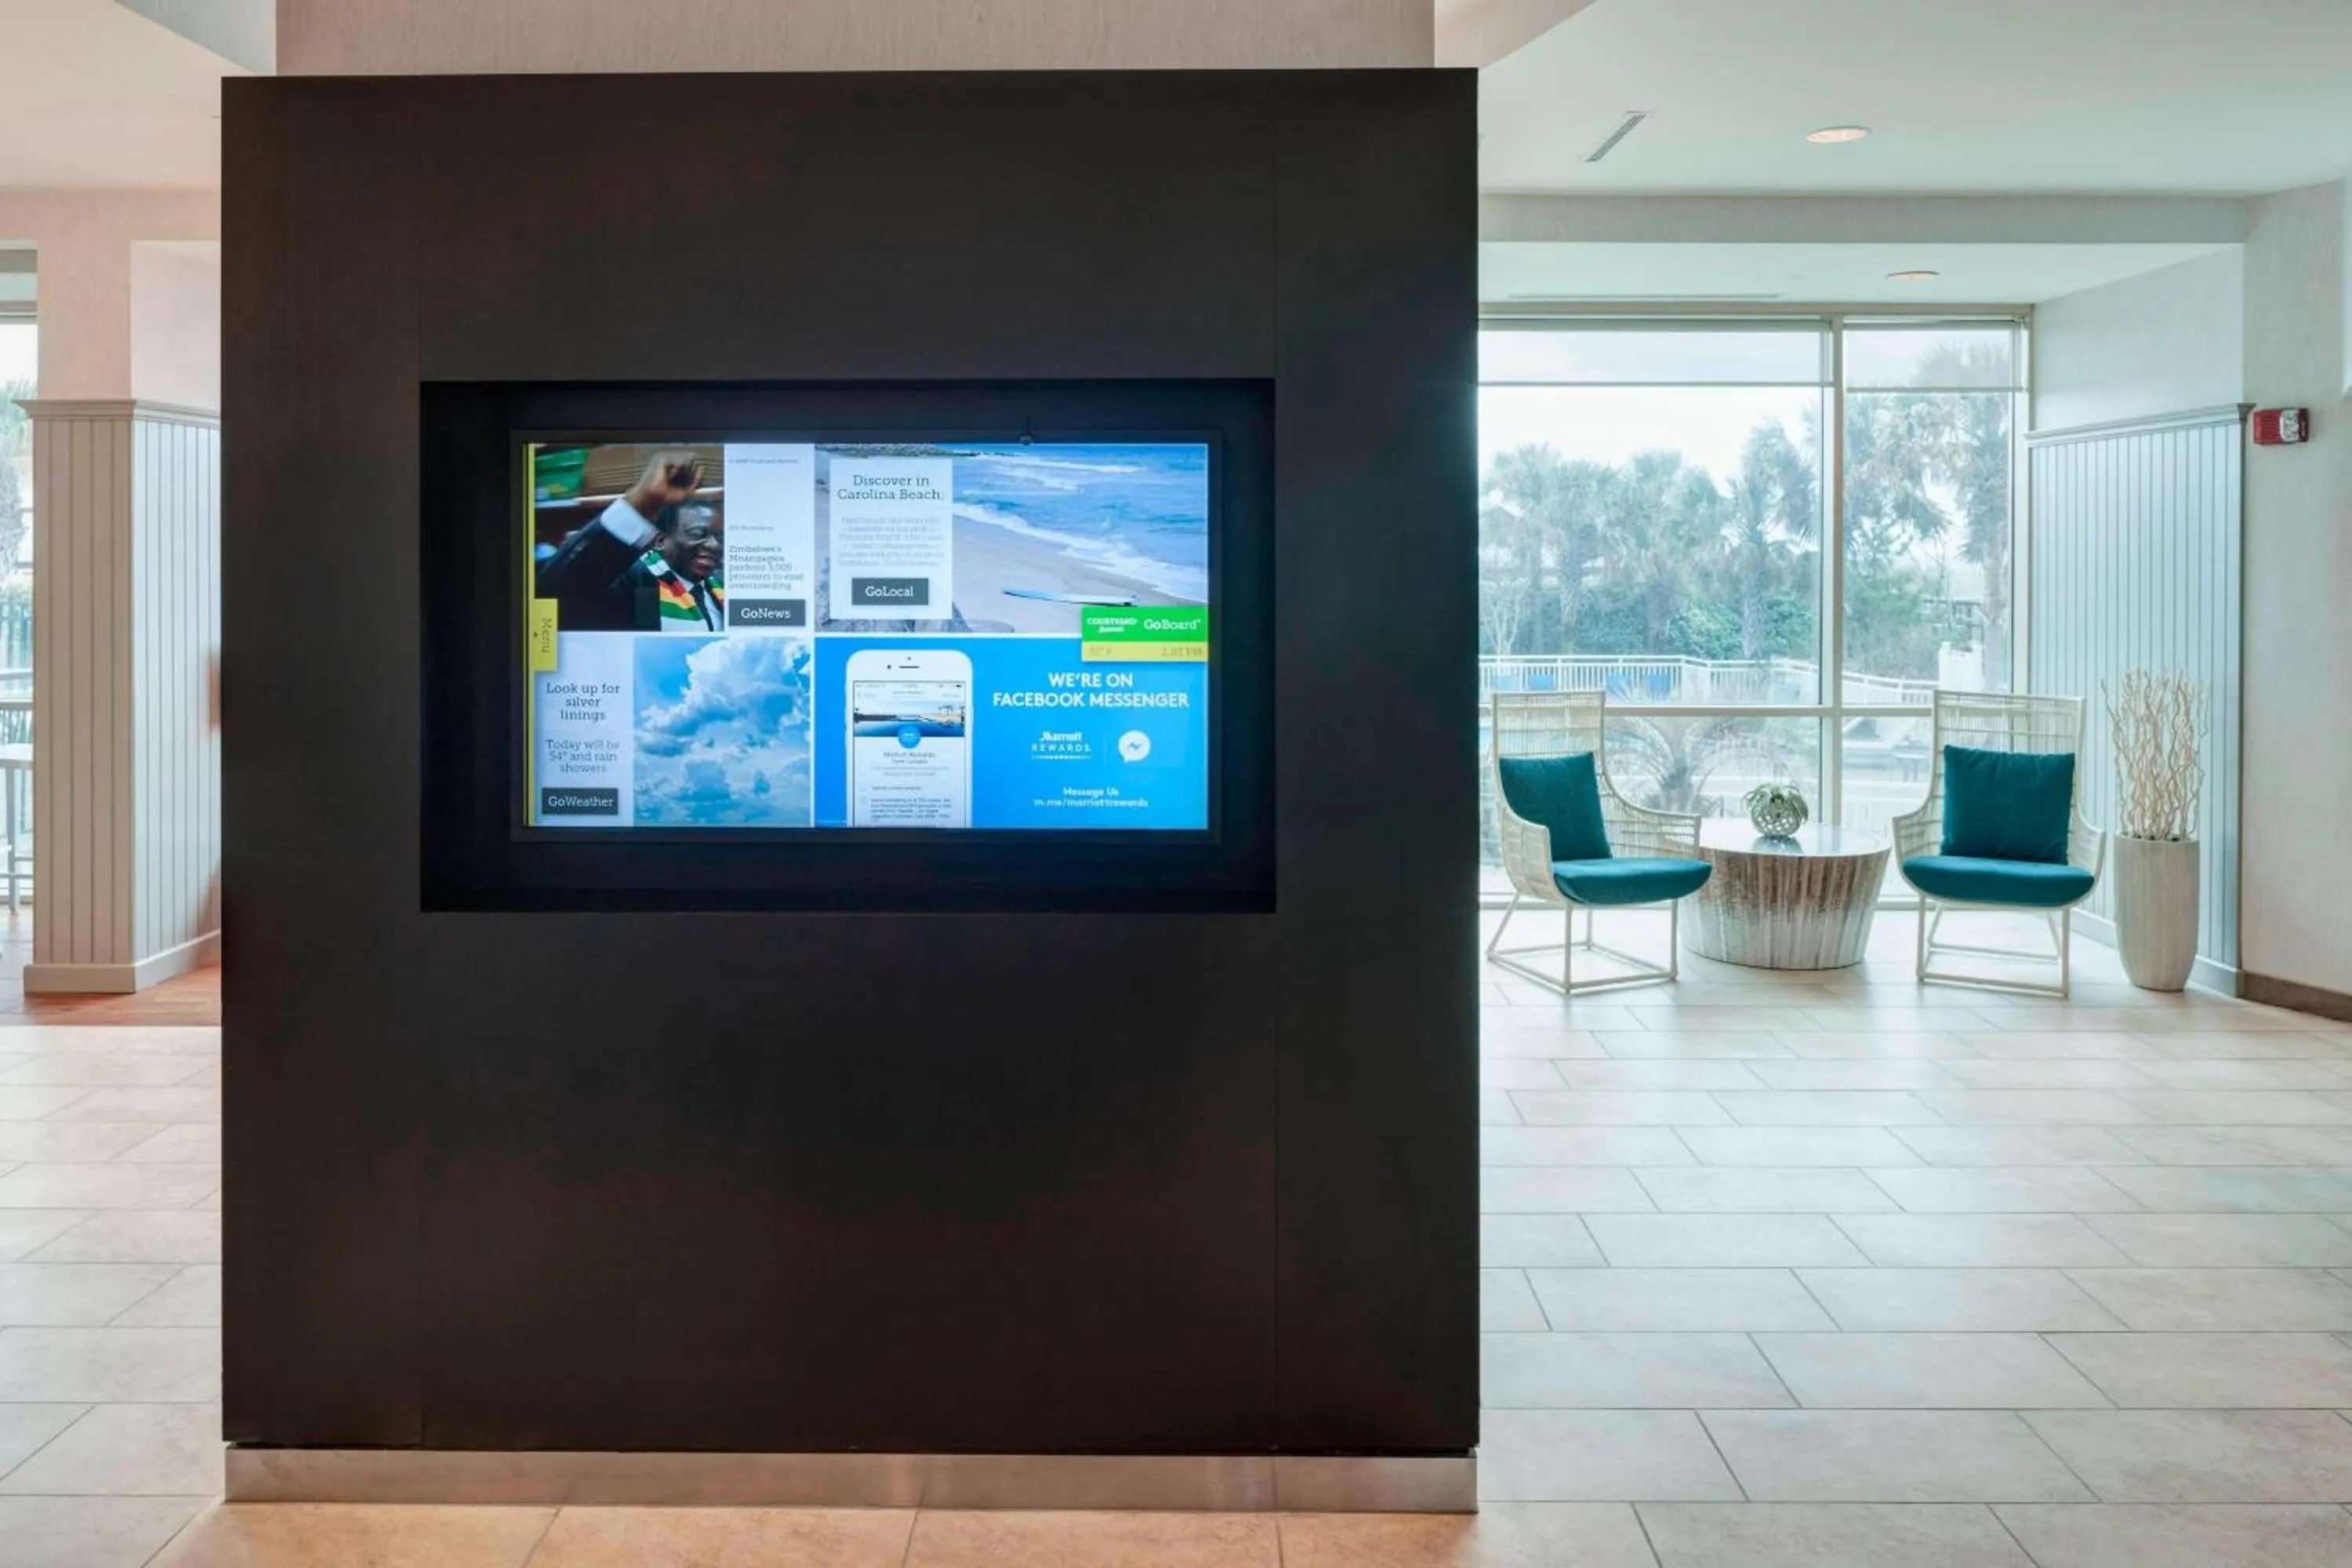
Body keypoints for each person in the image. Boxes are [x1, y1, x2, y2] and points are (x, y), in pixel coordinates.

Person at [535, 449, 726, 633]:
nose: (714, 546)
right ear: (660, 539)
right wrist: (642, 502)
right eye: (697, 533)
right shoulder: (630, 582)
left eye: (720, 537)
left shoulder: (721, 590)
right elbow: (554, 593)